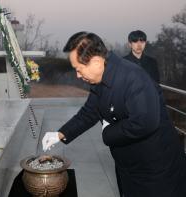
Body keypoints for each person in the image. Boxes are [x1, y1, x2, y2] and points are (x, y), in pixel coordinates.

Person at [42, 31, 186, 197]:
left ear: (96, 62)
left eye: (79, 69)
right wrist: (60, 134)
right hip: (128, 165)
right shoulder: (100, 78)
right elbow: (89, 112)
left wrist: (108, 131)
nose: (78, 75)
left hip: (156, 170)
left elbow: (145, 123)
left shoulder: (134, 78)